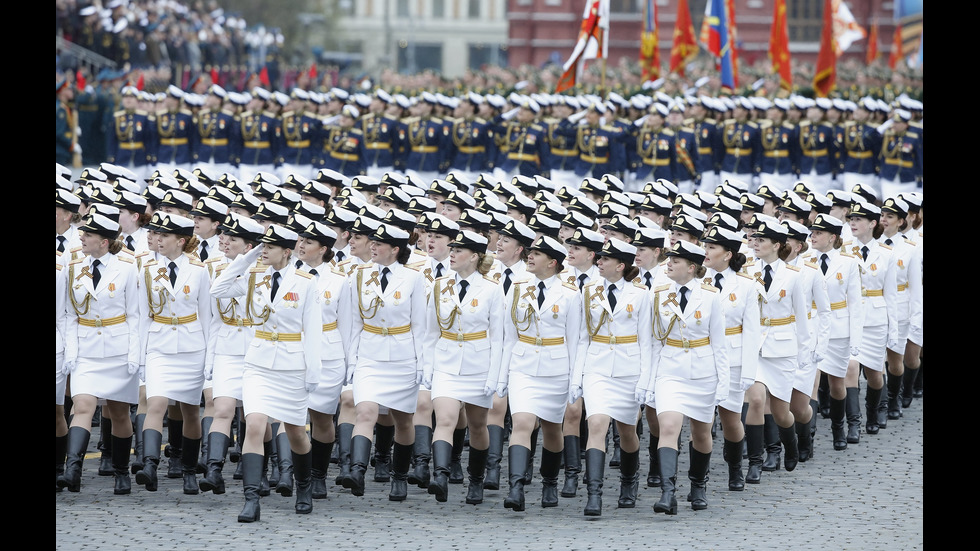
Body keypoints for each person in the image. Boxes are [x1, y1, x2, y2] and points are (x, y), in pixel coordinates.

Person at [210, 223, 323, 521]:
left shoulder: (306, 281)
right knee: (256, 423)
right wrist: (245, 259)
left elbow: (312, 331)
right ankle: (250, 499)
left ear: (286, 252)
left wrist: (313, 371)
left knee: (297, 433)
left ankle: (304, 486)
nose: (263, 251)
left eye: (269, 247)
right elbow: (217, 289)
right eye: (261, 246)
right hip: (259, 363)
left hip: (292, 366)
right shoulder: (253, 275)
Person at [342, 223, 428, 502]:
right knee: (365, 411)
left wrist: (420, 364)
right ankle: (357, 471)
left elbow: (419, 325)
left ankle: (400, 476)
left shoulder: (414, 278)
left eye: (379, 244)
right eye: (373, 243)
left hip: (403, 357)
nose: (373, 247)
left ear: (395, 249)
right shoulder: (359, 275)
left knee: (403, 421)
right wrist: (351, 361)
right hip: (370, 353)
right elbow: (353, 322)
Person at [498, 235, 583, 512]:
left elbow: (575, 340)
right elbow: (508, 336)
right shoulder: (518, 288)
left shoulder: (570, 294)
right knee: (521, 422)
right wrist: (502, 375)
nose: (530, 257)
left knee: (551, 429)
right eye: (530, 253)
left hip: (555, 368)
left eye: (538, 254)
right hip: (522, 365)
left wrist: (575, 381)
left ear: (553, 262)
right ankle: (516, 487)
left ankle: (549, 481)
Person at [644, 240, 728, 514]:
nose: (668, 263)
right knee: (668, 427)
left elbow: (719, 344)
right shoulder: (656, 294)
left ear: (692, 268)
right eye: (668, 259)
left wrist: (723, 383)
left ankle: (698, 485)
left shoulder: (711, 295)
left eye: (675, 261)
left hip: (703, 372)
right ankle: (668, 493)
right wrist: (647, 380)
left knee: (701, 433)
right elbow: (651, 343)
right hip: (670, 369)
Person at [59, 213, 141, 494]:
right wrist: (71, 350)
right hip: (86, 350)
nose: (81, 237)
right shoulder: (73, 267)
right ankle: (73, 471)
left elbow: (135, 315)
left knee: (118, 412)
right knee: (82, 406)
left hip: (118, 349)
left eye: (88, 235)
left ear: (104, 242)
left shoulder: (128, 268)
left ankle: (121, 472)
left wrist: (134, 355)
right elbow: (69, 314)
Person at [420, 230, 503, 504]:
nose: (452, 253)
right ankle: (440, 477)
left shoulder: (491, 289)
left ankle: (476, 480)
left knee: (478, 426)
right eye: (452, 248)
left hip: (479, 364)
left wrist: (495, 376)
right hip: (446, 361)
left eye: (459, 250)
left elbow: (499, 336)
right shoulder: (439, 285)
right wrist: (428, 368)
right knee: (445, 419)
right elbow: (431, 332)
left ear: (475, 256)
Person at [572, 238, 650, 516]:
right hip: (598, 366)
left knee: (627, 431)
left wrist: (645, 380)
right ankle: (594, 494)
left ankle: (629, 481)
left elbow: (646, 341)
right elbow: (582, 337)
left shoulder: (641, 294)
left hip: (629, 369)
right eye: (599, 259)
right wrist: (576, 378)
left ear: (621, 265)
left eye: (605, 260)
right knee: (596, 425)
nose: (599, 263)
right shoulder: (589, 290)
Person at [134, 213, 211, 495]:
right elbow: (143, 315)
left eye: (165, 236)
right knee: (156, 404)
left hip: (191, 348)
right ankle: (150, 465)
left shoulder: (199, 270)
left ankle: (189, 469)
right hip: (159, 345)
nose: (159, 240)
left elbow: (206, 316)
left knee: (191, 411)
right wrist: (140, 356)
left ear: (181, 240)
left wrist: (208, 358)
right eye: (158, 235)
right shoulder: (148, 269)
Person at [197, 214, 265, 496]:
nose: (223, 240)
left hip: (258, 349)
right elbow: (211, 317)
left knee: (257, 417)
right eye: (223, 235)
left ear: (249, 246)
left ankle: (261, 470)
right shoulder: (211, 267)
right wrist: (209, 361)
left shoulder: (265, 270)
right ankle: (214, 470)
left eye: (232, 238)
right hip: (226, 348)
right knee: (222, 408)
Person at [747, 215, 811, 475]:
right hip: (755, 346)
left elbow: (802, 317)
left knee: (781, 411)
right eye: (754, 239)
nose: (755, 243)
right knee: (756, 400)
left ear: (776, 244)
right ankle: (757, 460)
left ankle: (791, 443)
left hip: (782, 347)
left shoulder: (793, 276)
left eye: (761, 240)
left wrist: (804, 353)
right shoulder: (748, 271)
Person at [700, 226, 761, 491]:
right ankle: (698, 478)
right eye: (706, 247)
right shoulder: (697, 280)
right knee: (701, 420)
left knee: (730, 419)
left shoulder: (746, 286)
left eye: (712, 248)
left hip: (733, 359)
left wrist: (749, 371)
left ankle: (736, 467)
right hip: (701, 356)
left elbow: (752, 331)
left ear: (728, 254)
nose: (706, 252)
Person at [295, 221, 352, 500]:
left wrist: (348, 364)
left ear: (323, 248)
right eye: (300, 240)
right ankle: (291, 473)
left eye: (308, 241)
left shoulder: (340, 280)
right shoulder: (289, 274)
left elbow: (347, 326)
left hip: (328, 352)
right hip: (294, 349)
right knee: (289, 417)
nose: (301, 245)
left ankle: (318, 475)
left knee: (322, 417)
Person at [806, 214, 863, 451]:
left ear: (833, 237)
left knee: (837, 384)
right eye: (813, 232)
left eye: (819, 233)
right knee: (810, 382)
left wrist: (856, 339)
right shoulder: (805, 259)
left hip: (838, 329)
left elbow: (855, 303)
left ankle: (838, 427)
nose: (813, 237)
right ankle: (807, 436)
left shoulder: (848, 262)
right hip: (812, 326)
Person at [845, 201, 900, 436]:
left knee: (875, 374)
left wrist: (894, 331)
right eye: (851, 219)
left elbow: (892, 295)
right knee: (850, 369)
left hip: (876, 320)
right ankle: (854, 424)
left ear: (872, 223)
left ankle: (875, 408)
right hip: (850, 317)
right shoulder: (844, 249)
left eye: (858, 219)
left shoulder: (886, 253)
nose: (853, 223)